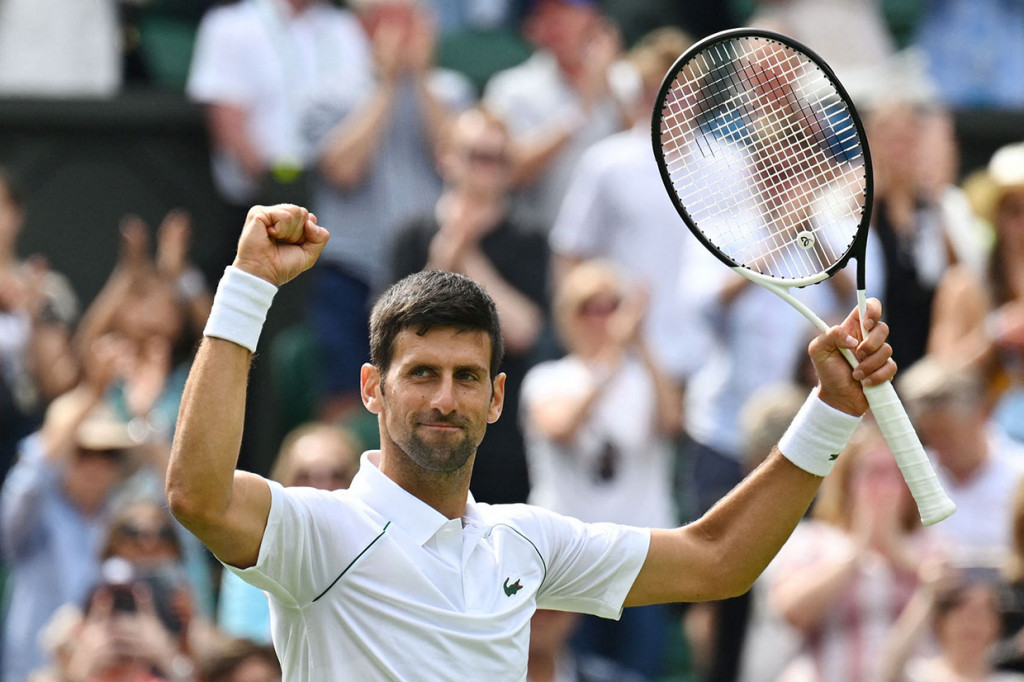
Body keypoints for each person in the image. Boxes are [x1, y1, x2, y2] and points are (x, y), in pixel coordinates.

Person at [165, 204, 897, 680]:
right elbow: (197, 495)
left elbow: (718, 559)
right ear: (371, 389)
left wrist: (832, 407)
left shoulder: (526, 542)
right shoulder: (318, 530)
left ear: (496, 398)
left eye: (466, 376)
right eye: (420, 374)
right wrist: (249, 284)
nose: (445, 398)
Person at [301, 0, 475, 422]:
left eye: (409, 19)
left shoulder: (449, 90)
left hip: (429, 270)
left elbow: (458, 157)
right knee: (346, 398)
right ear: (363, 28)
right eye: (386, 19)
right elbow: (343, 168)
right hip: (351, 273)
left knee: (433, 399)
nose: (400, 32)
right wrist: (386, 85)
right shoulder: (331, 91)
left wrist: (416, 78)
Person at [520, 260, 681, 679]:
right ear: (568, 315)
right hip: (571, 559)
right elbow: (559, 427)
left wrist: (641, 346)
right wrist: (611, 358)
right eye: (589, 307)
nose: (603, 318)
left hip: (642, 558)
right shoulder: (547, 378)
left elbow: (673, 423)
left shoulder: (645, 377)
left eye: (613, 307)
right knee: (574, 670)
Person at [389, 105, 550, 504]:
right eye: (477, 155)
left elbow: (523, 332)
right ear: (446, 158)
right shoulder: (412, 233)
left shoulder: (528, 238)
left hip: (502, 437)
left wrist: (469, 254)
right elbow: (396, 333)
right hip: (420, 430)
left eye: (499, 158)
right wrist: (445, 255)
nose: (488, 168)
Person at [186, 0, 369, 281]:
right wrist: (277, 191)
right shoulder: (230, 25)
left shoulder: (345, 28)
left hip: (340, 209)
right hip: (258, 205)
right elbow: (227, 123)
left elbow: (363, 111)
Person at [1, 341, 142, 682]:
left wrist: (140, 408)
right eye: (84, 452)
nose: (96, 465)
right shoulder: (35, 514)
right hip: (34, 673)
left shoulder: (129, 521)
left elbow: (184, 514)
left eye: (109, 454)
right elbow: (31, 475)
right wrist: (92, 392)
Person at [765, 424, 937, 682]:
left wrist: (897, 552)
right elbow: (791, 611)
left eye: (895, 475)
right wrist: (857, 551)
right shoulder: (813, 541)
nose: (885, 487)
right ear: (847, 483)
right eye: (873, 473)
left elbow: (952, 605)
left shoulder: (929, 545)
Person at [482, 0, 626, 232]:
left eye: (568, 13)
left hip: (612, 247)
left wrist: (608, 85)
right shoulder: (510, 87)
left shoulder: (626, 81)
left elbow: (648, 158)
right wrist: (580, 112)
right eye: (547, 14)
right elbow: (508, 171)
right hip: (538, 243)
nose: (558, 24)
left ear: (595, 22)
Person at [216, 421, 361, 643]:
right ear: (283, 481)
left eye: (335, 474)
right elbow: (242, 644)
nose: (319, 485)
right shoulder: (254, 554)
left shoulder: (379, 550)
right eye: (305, 475)